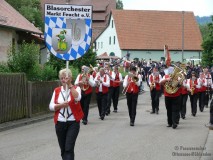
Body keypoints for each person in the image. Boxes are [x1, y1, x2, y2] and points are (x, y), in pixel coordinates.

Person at [49, 68, 83, 160]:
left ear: (70, 79)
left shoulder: (76, 88)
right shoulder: (57, 90)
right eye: (62, 78)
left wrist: (70, 86)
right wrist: (60, 105)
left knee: (68, 148)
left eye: (66, 78)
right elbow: (51, 106)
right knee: (63, 149)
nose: (64, 80)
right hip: (60, 122)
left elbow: (78, 98)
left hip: (73, 122)